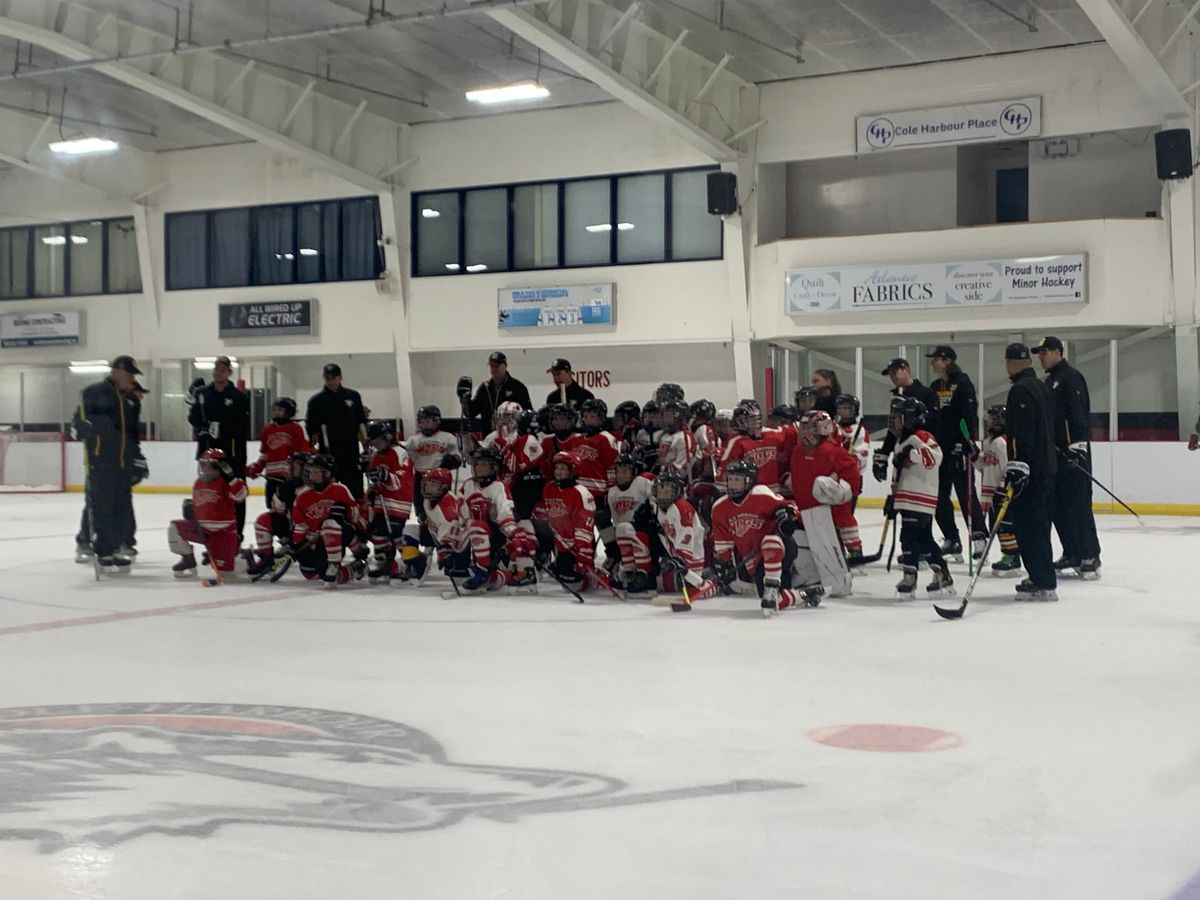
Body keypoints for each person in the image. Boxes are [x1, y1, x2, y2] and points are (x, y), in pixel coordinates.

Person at [1033, 336, 1101, 579]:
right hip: (1054, 454)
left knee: (1077, 504)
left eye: (1045, 352)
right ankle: (1072, 551)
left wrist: (1077, 446)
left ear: (1058, 352)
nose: (1041, 357)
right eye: (1039, 353)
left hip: (1073, 452)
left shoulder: (1071, 378)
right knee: (1058, 505)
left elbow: (1078, 413)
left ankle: (1090, 555)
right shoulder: (1048, 381)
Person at [73, 356, 148, 572]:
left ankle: (115, 547)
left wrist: (138, 458)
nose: (132, 378)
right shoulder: (95, 393)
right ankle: (104, 551)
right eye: (129, 373)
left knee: (121, 507)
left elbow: (132, 434)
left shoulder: (130, 400)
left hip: (123, 462)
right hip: (101, 460)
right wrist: (81, 428)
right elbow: (78, 421)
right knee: (103, 506)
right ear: (117, 372)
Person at [709, 459, 806, 616]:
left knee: (770, 542)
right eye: (731, 479)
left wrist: (787, 517)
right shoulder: (719, 508)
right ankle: (804, 595)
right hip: (754, 559)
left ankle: (771, 589)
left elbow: (790, 506)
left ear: (749, 481)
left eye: (738, 480)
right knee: (774, 602)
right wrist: (725, 566)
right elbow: (723, 544)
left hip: (782, 548)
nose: (733, 484)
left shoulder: (761, 493)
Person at [1003, 343, 1059, 602]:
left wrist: (1019, 463)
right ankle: (1042, 576)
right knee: (1039, 524)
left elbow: (1023, 431)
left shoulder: (1021, 390)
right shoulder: (1042, 387)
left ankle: (1042, 580)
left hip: (1032, 470)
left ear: (1011, 363)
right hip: (1047, 466)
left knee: (1029, 526)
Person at [787, 410, 857, 600]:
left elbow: (853, 483)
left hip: (823, 514)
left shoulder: (833, 452)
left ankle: (838, 581)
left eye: (809, 427)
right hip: (801, 513)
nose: (804, 432)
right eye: (802, 427)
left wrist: (840, 491)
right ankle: (810, 578)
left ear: (823, 429)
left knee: (836, 579)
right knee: (802, 555)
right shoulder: (797, 452)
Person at [888, 399, 953, 599]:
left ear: (910, 419)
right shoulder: (901, 441)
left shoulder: (921, 436)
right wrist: (892, 498)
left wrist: (912, 455)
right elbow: (897, 475)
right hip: (906, 498)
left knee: (908, 538)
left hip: (920, 497)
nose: (894, 422)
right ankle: (943, 573)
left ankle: (910, 576)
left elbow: (936, 458)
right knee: (925, 540)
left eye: (898, 418)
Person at [926, 346, 987, 560]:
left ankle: (979, 537)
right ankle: (952, 539)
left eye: (935, 359)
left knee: (966, 494)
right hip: (939, 450)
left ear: (946, 360)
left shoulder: (962, 382)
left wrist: (967, 441)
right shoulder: (935, 386)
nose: (932, 363)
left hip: (958, 448)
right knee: (939, 497)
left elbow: (968, 414)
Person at [187, 356, 251, 539]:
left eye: (222, 369)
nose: (218, 373)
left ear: (229, 372)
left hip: (230, 454)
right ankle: (211, 537)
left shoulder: (238, 397)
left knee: (235, 494)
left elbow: (242, 426)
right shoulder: (202, 393)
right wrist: (202, 427)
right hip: (207, 453)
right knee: (210, 494)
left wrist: (222, 428)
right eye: (216, 369)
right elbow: (193, 418)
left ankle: (235, 536)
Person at [459, 446, 537, 593]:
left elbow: (504, 514)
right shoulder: (468, 485)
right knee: (488, 583)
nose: (478, 468)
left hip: (497, 534)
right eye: (476, 464)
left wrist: (514, 533)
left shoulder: (498, 486)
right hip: (476, 537)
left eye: (483, 464)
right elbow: (459, 512)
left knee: (525, 527)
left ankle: (526, 574)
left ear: (494, 467)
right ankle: (496, 574)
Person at [167, 449, 248, 580]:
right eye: (202, 464)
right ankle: (188, 559)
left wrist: (232, 479)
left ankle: (244, 559)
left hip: (222, 533)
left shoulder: (227, 483)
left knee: (225, 573)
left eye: (206, 465)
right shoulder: (198, 482)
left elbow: (241, 496)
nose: (203, 468)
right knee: (174, 528)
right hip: (201, 530)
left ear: (218, 466)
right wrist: (191, 510)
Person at [290, 453, 369, 587]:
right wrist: (298, 544)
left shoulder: (340, 490)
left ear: (327, 474)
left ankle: (334, 563)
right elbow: (299, 524)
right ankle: (356, 568)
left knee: (330, 524)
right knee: (313, 573)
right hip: (318, 541)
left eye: (315, 472)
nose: (310, 475)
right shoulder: (302, 496)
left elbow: (355, 516)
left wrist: (362, 536)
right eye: (310, 471)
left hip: (338, 536)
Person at [305, 363, 369, 500]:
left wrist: (365, 445)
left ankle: (357, 517)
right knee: (327, 491)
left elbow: (360, 424)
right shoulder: (316, 401)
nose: (330, 381)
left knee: (355, 489)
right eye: (327, 378)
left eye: (333, 377)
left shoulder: (353, 396)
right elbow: (312, 430)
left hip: (351, 452)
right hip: (328, 453)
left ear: (340, 377)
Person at [872, 358, 940, 485]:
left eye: (895, 372)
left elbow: (935, 423)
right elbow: (893, 428)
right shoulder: (896, 397)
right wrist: (884, 454)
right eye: (890, 374)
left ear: (906, 369)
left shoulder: (927, 394)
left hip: (921, 450)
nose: (892, 377)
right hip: (901, 450)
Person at [363, 421, 415, 584]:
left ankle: (412, 562)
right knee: (379, 533)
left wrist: (384, 476)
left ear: (388, 437)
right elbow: (376, 480)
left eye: (378, 439)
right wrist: (372, 489)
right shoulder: (377, 456)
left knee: (394, 534)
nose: (375, 443)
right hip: (382, 503)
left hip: (398, 501)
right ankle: (386, 562)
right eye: (373, 440)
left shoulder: (399, 452)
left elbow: (401, 478)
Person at [976, 405, 1022, 577]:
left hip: (1001, 492)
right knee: (995, 525)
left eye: (994, 419)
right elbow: (981, 466)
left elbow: (1007, 468)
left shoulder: (1002, 442)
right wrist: (972, 453)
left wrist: (1004, 489)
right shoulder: (988, 442)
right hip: (989, 492)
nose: (989, 423)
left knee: (1005, 526)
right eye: (989, 419)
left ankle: (1013, 557)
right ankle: (1008, 555)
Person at [245, 398, 309, 512]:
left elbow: (302, 453)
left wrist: (299, 474)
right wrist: (257, 467)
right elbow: (265, 454)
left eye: (280, 409)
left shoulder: (296, 428)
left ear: (289, 411)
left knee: (289, 508)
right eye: (274, 409)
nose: (276, 412)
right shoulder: (267, 429)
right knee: (272, 508)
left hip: (289, 478)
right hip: (271, 477)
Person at [469, 351, 533, 429]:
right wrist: (465, 399)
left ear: (505, 366)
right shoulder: (484, 389)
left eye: (497, 366)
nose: (494, 369)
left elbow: (528, 415)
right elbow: (471, 413)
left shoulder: (518, 387)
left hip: (512, 437)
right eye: (492, 366)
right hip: (489, 437)